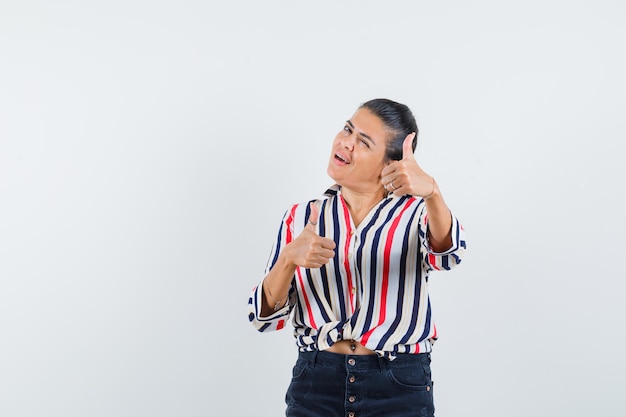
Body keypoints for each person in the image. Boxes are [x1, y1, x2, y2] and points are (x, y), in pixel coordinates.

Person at [248, 98, 466, 417]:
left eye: (363, 142)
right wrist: (288, 259)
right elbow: (263, 318)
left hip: (398, 384)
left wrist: (433, 192)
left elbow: (449, 254)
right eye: (348, 129)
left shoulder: (417, 213)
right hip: (316, 382)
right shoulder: (300, 218)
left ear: (390, 164)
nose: (345, 142)